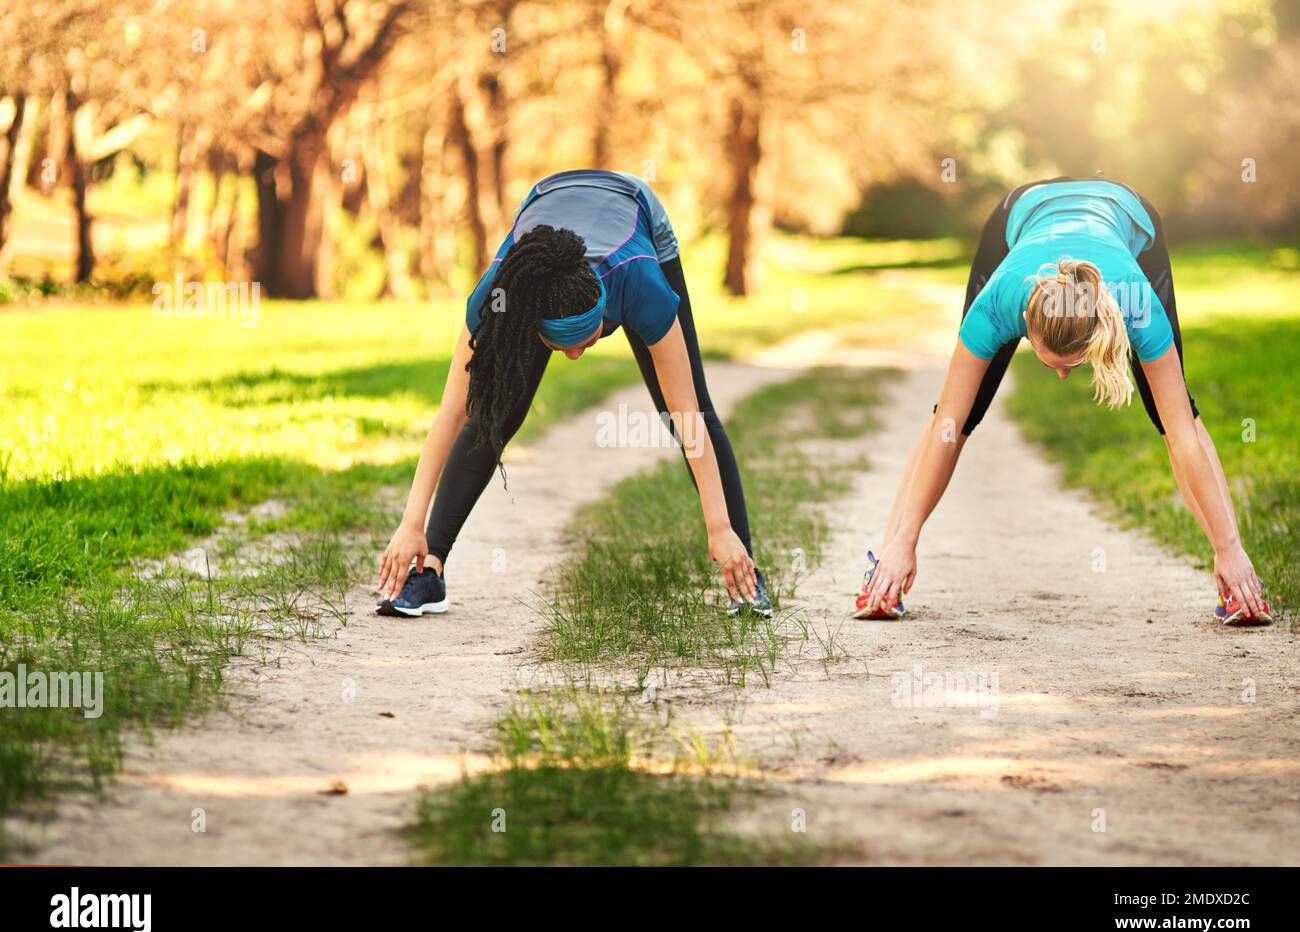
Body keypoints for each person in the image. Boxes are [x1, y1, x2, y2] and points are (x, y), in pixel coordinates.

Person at [854, 177, 1272, 626]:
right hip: (1021, 212)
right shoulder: (999, 301)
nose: (1061, 374)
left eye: (1075, 362)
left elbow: (1184, 438)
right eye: (1048, 360)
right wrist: (908, 540)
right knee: (958, 415)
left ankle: (1237, 576)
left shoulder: (1135, 303)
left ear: (1101, 331)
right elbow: (947, 425)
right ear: (1023, 327)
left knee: (1174, 417)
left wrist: (1228, 549)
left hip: (1127, 209)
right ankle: (887, 567)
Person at [376, 169, 772, 618]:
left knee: (682, 405)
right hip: (545, 198)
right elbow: (453, 412)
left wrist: (718, 526)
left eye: (589, 340)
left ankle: (746, 573)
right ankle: (429, 571)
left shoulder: (640, 284)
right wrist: (411, 523)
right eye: (563, 347)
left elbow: (690, 417)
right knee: (492, 412)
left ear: (606, 311)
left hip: (635, 209)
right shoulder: (502, 294)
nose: (576, 357)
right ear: (532, 326)